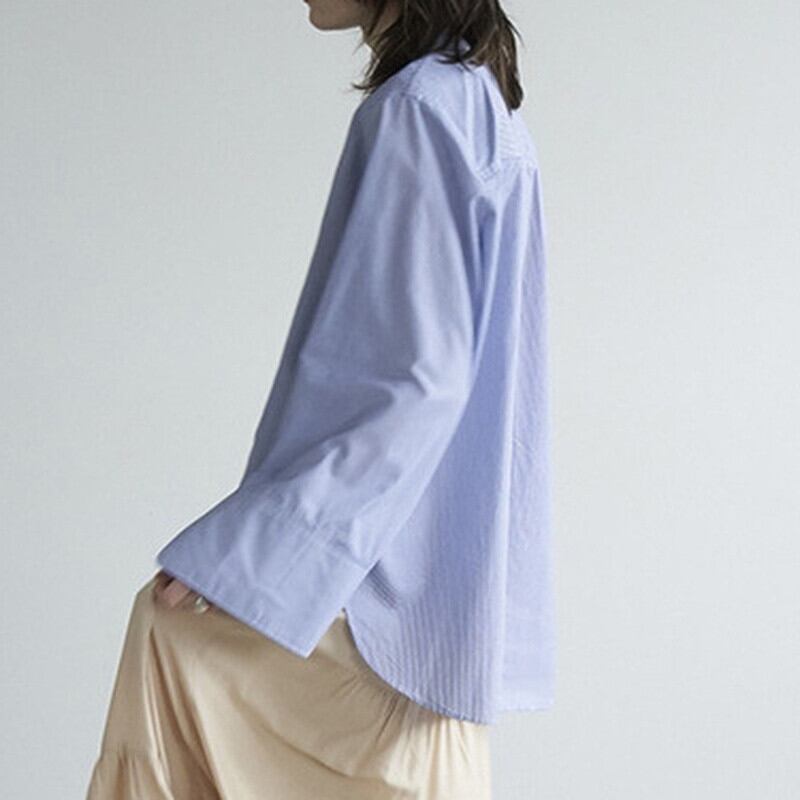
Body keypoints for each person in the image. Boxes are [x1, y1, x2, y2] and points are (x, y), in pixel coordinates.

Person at [86, 1, 553, 797]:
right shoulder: (480, 104)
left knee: (166, 637)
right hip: (440, 614)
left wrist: (251, 552)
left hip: (383, 602)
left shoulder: (419, 108)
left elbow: (419, 383)